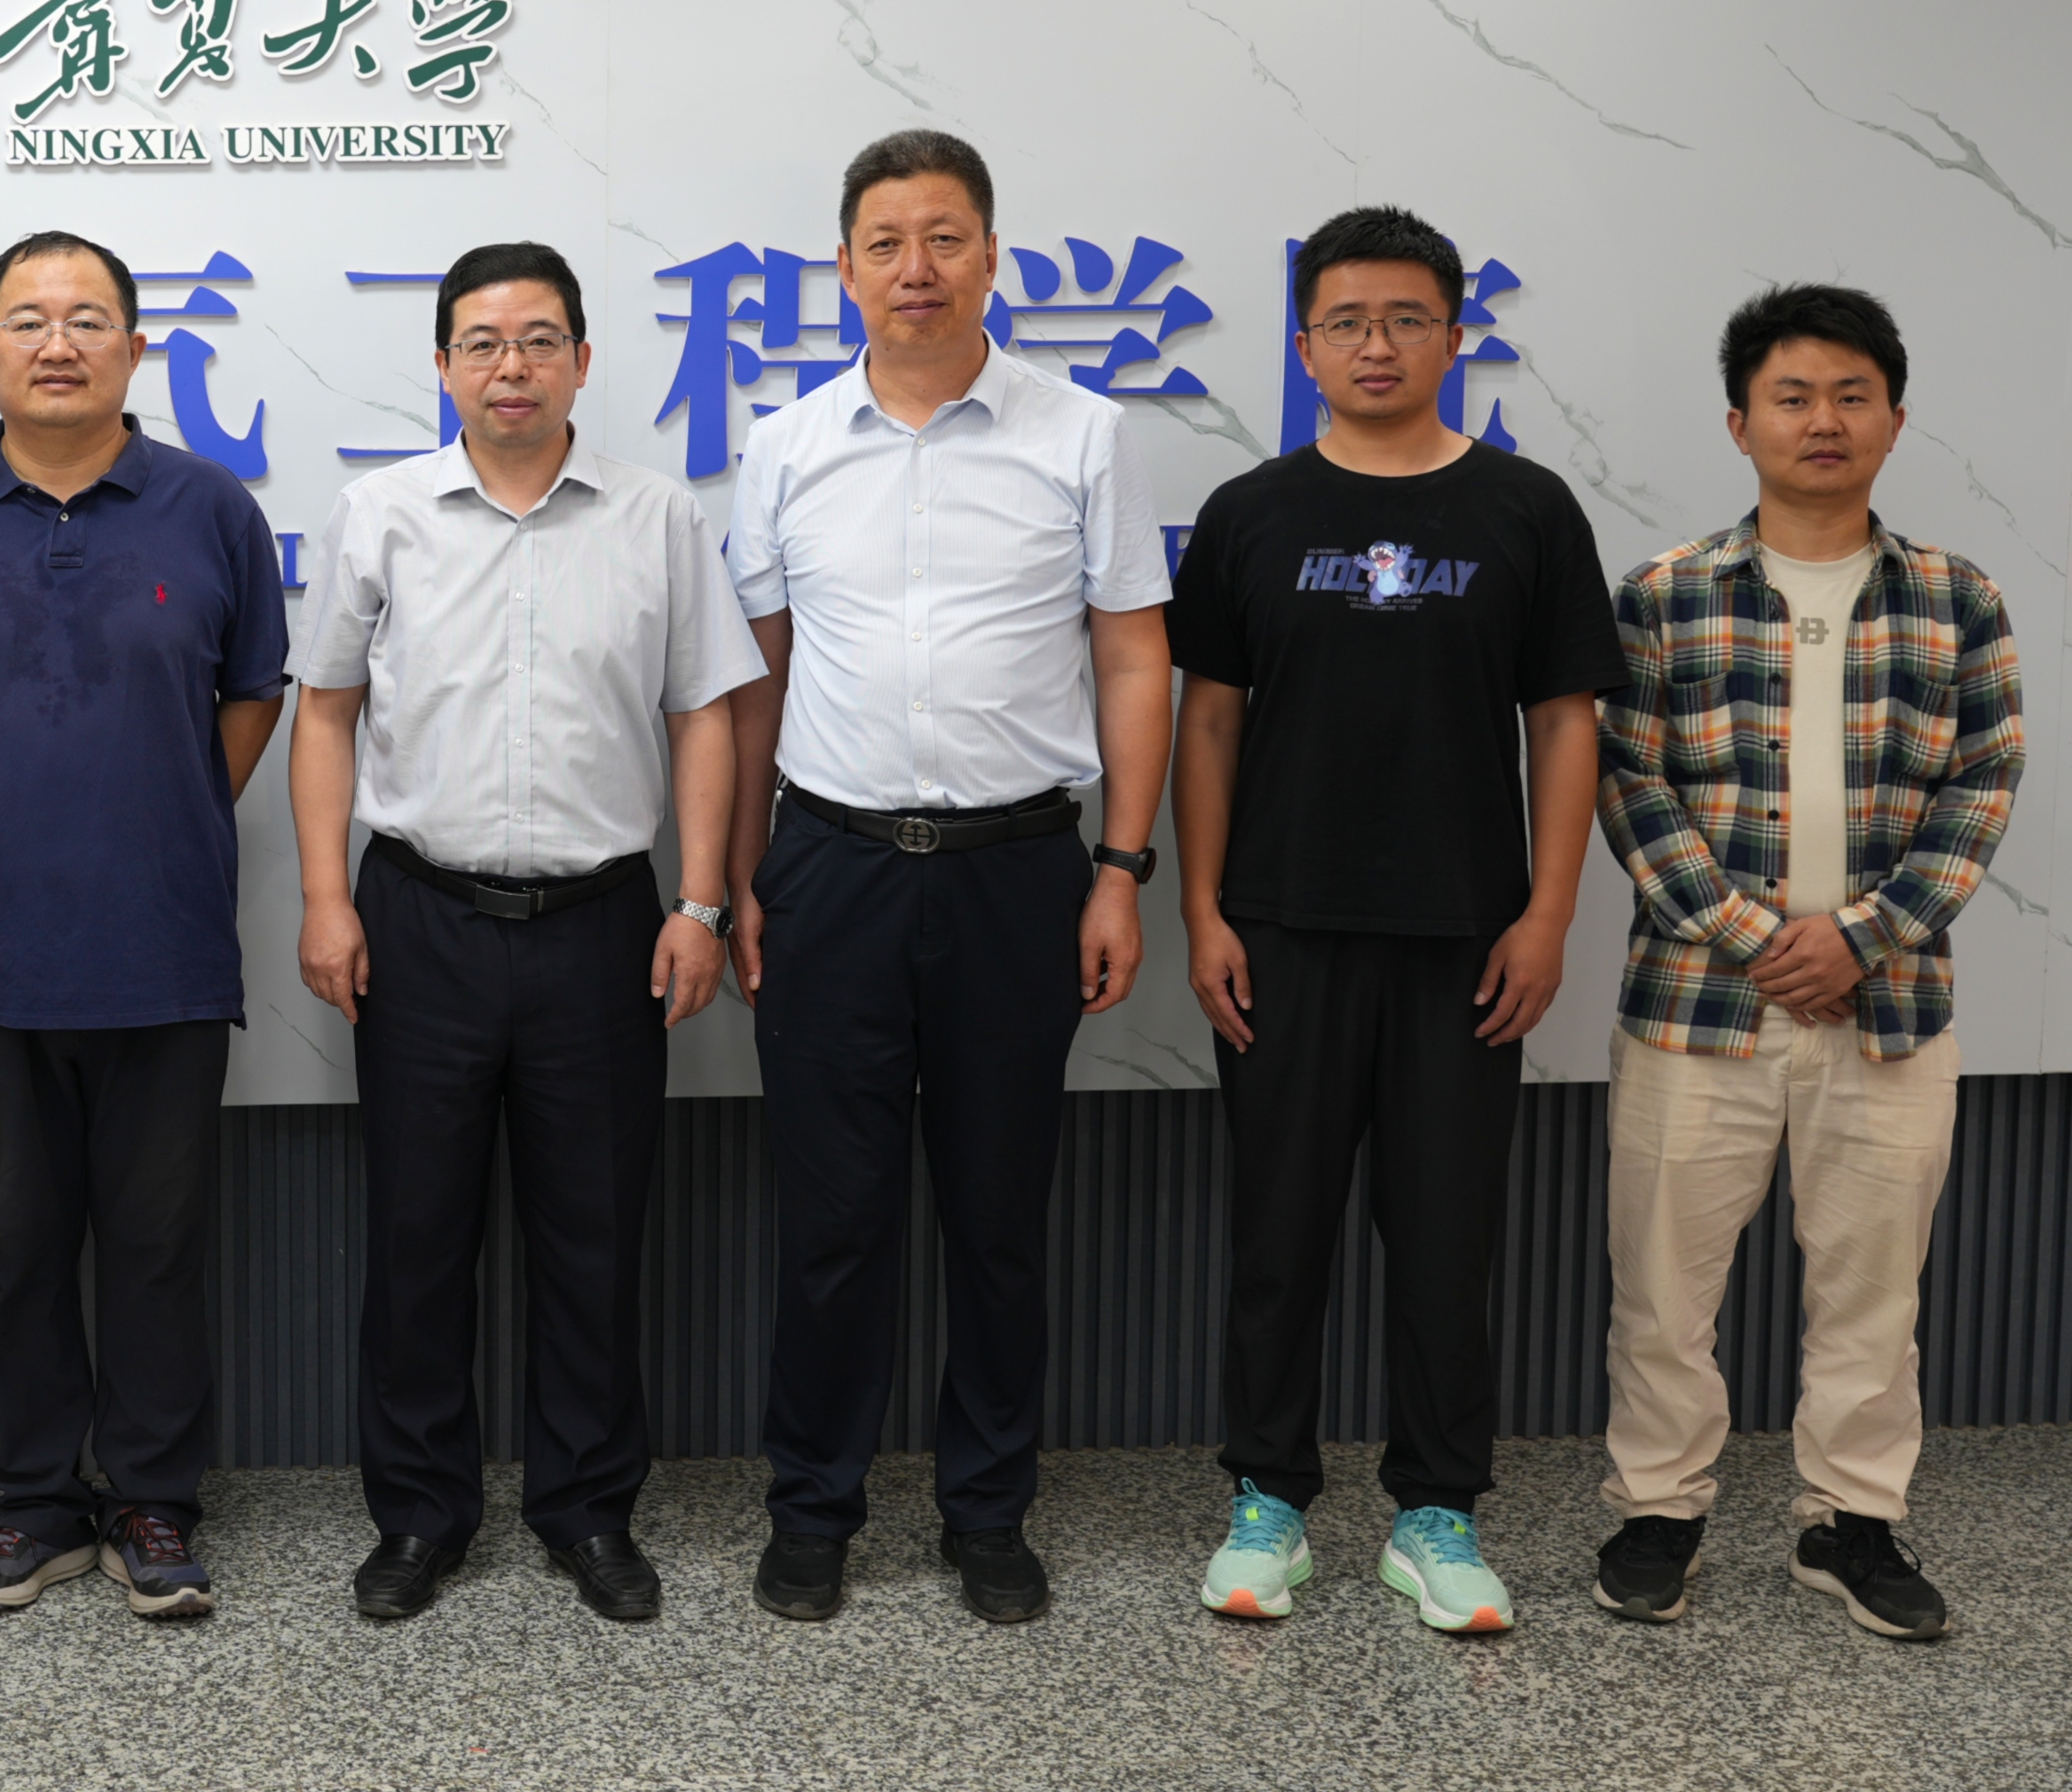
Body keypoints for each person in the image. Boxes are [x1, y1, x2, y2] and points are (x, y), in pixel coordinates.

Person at [726, 130, 1173, 1627]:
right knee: (831, 1223)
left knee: (998, 1221)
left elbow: (1134, 656)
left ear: (992, 255)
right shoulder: (788, 446)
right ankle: (814, 1509)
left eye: (943, 238)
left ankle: (989, 1510)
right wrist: (739, 875)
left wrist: (1121, 870)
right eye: (885, 243)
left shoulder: (1081, 435)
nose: (914, 268)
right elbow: (758, 679)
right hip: (831, 867)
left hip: (1018, 872)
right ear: (843, 268)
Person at [290, 241, 763, 1624]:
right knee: (417, 1240)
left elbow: (706, 715)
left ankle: (587, 1511)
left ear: (583, 361)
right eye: (485, 344)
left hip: (602, 927)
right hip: (420, 918)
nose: (513, 367)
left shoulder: (657, 517)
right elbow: (324, 711)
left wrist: (699, 901)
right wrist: (325, 897)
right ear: (443, 364)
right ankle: (419, 1515)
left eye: (541, 340)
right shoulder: (380, 514)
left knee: (592, 1240)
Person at [1166, 206, 1622, 1636]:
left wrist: (1548, 914)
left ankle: (1437, 1513)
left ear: (1454, 336)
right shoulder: (1251, 514)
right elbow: (1209, 722)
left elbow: (1565, 722)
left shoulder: (1525, 509)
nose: (1378, 345)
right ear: (1305, 346)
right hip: (1280, 931)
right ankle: (1268, 1503)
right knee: (1278, 1233)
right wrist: (1202, 910)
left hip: (1465, 940)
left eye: (1407, 319)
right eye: (1347, 322)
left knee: (1445, 1239)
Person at [1590, 285, 2020, 1642]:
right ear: (1741, 423)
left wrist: (1864, 936)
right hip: (1699, 1001)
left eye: (1850, 396)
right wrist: (1755, 937)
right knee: (1664, 1283)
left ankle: (1852, 1523)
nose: (1822, 419)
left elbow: (1984, 783)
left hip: (1889, 1006)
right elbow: (1626, 783)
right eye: (1792, 396)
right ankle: (1659, 1511)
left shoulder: (1957, 597)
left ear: (1894, 418)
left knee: (1875, 1288)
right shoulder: (1664, 595)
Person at [0, 230, 287, 1622]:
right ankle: (37, 1505)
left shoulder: (211, 509)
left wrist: (161, 804)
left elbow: (248, 699)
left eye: (90, 318)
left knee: (160, 1246)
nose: (59, 343)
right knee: (20, 1248)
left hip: (165, 946)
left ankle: (155, 1501)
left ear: (136, 346)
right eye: (29, 319)